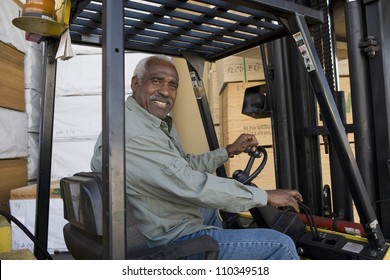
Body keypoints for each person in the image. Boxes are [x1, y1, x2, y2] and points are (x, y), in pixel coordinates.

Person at [91, 55, 303, 260]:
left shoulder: (143, 122)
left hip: (158, 217)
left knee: (209, 208)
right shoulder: (137, 135)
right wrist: (263, 195)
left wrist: (228, 151)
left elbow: (182, 166)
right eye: (157, 81)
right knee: (280, 245)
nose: (165, 91)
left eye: (172, 85)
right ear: (135, 83)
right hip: (167, 241)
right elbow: (189, 183)